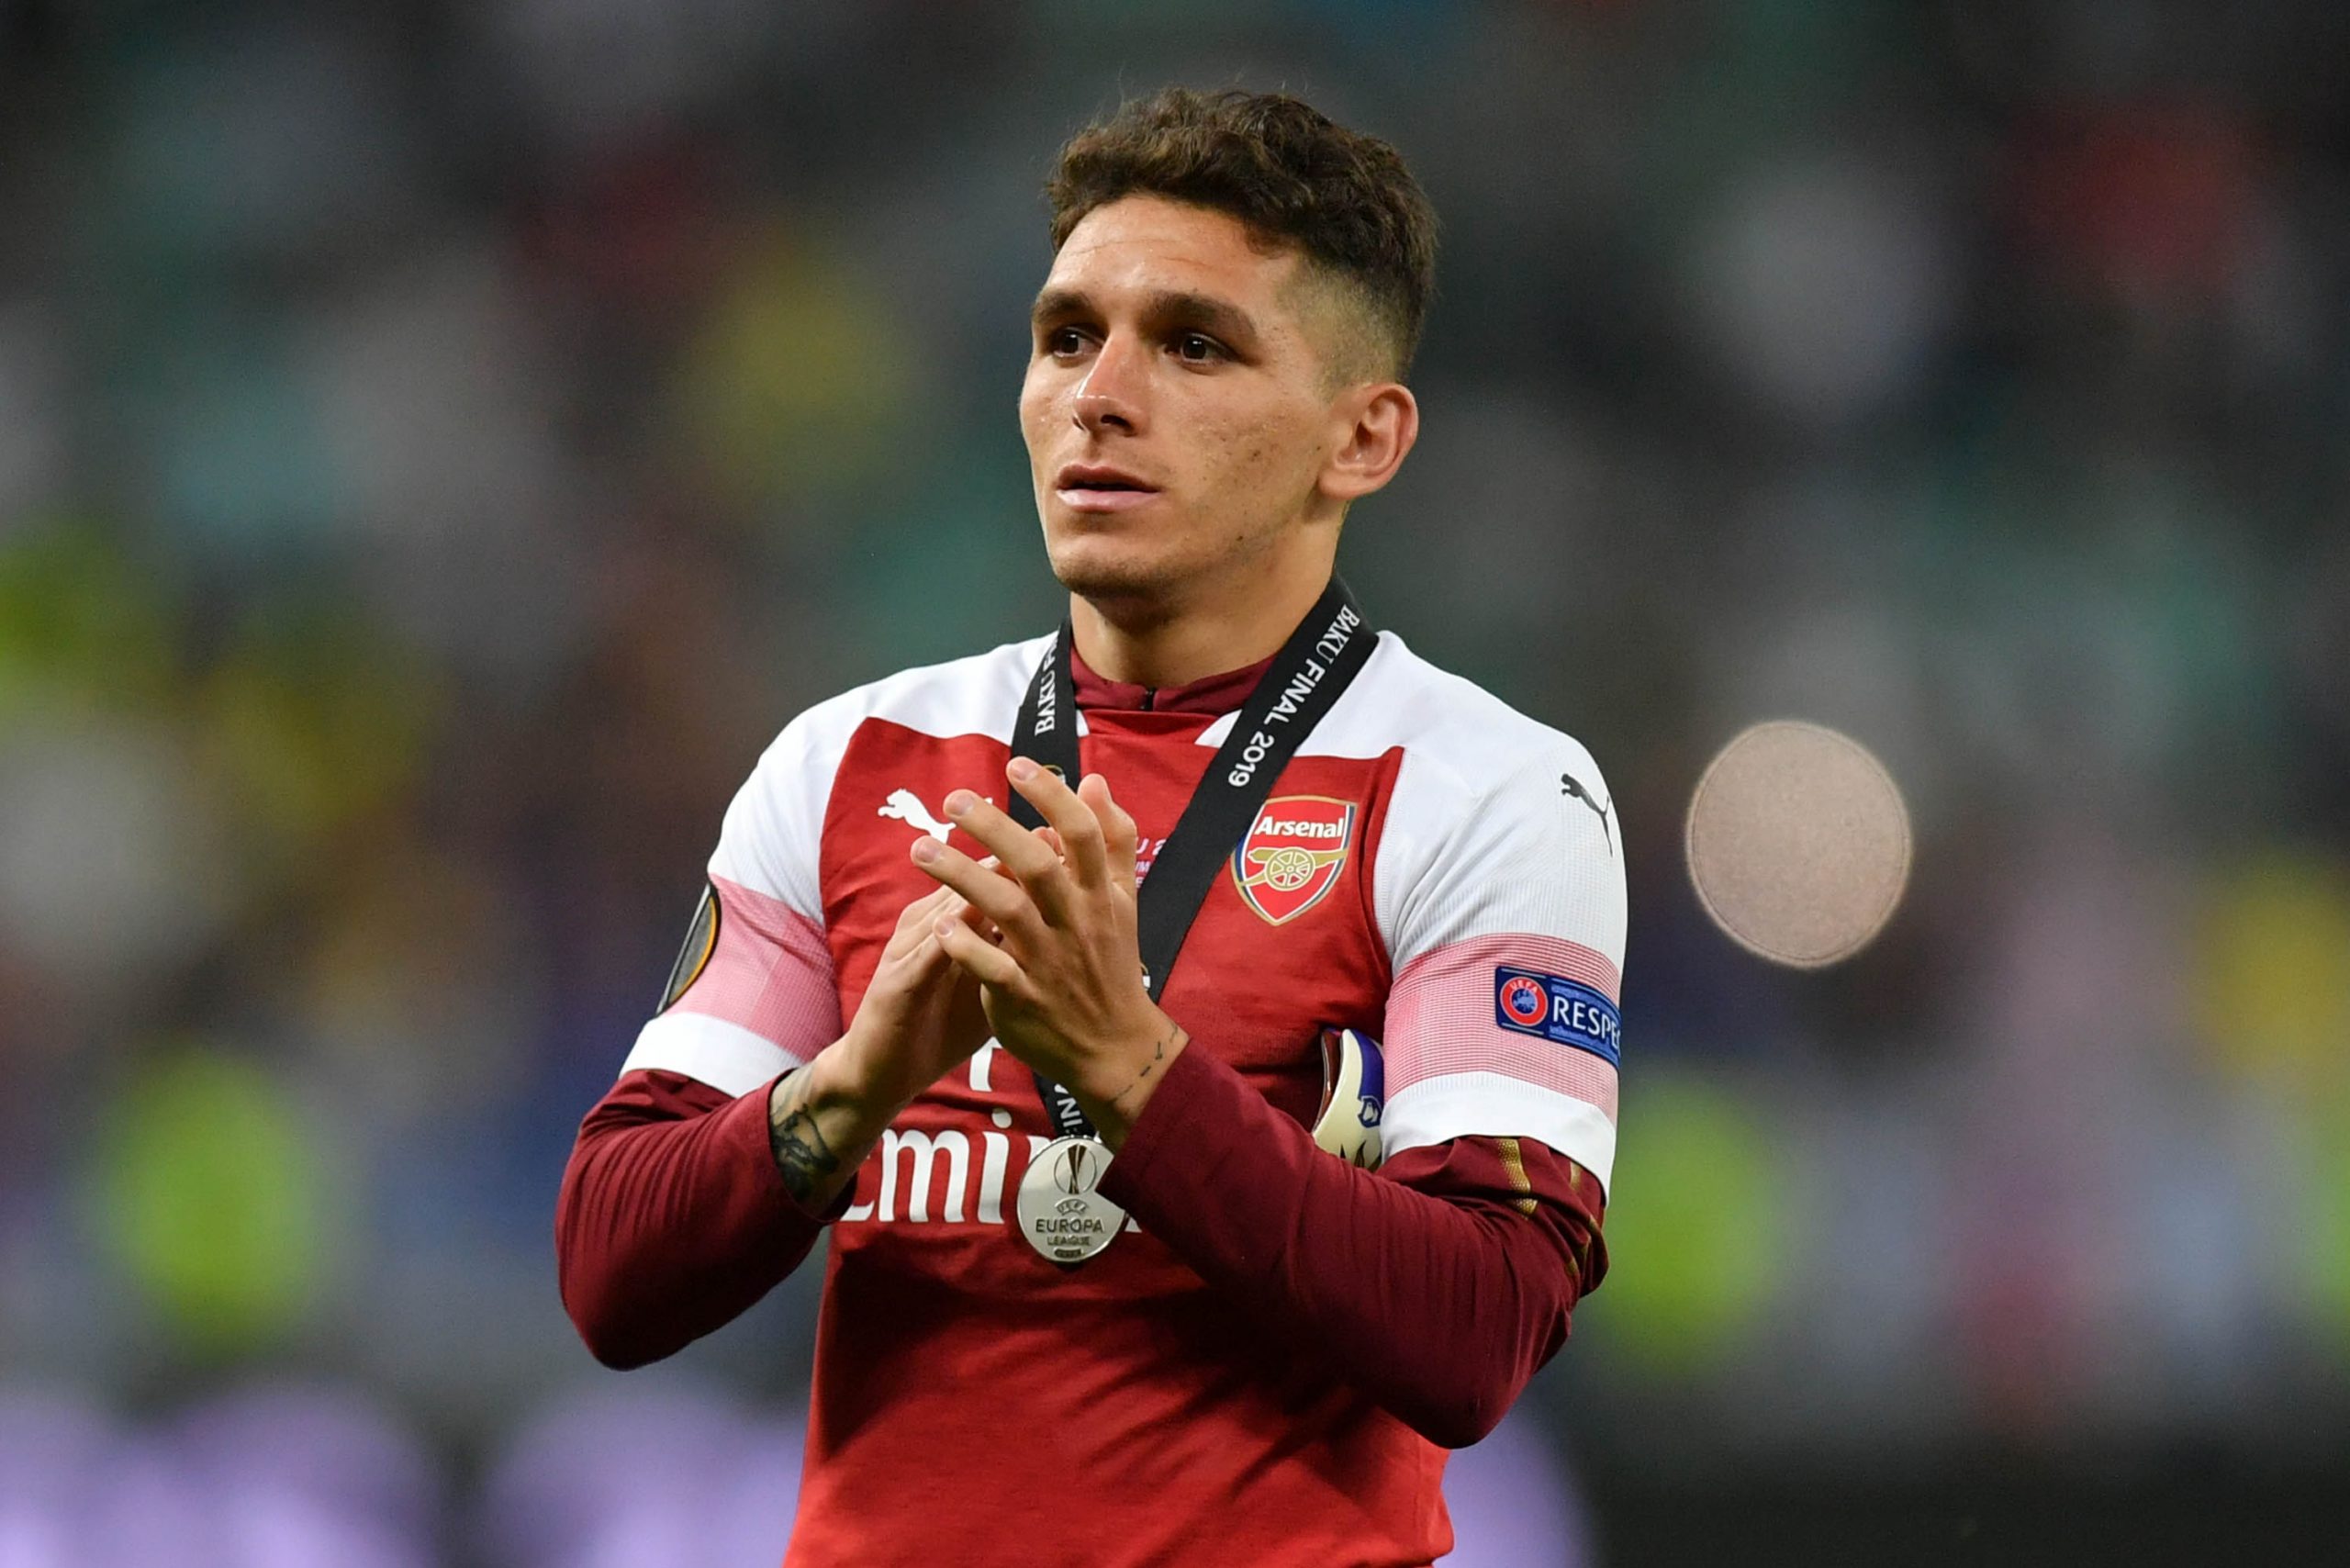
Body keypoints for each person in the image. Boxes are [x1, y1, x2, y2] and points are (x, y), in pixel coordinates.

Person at [556, 86, 1626, 1568]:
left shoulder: (1485, 789)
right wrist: (857, 1082)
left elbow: (1477, 1334)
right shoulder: (855, 760)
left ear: (1363, 439)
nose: (1100, 395)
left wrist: (1127, 1067)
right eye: (1068, 337)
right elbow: (611, 1271)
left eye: (1195, 345)